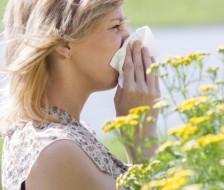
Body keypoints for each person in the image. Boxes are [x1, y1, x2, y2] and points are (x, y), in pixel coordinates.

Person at [0, 0, 160, 189]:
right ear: (65, 44)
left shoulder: (61, 133)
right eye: (116, 27)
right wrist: (141, 132)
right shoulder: (57, 150)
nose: (130, 38)